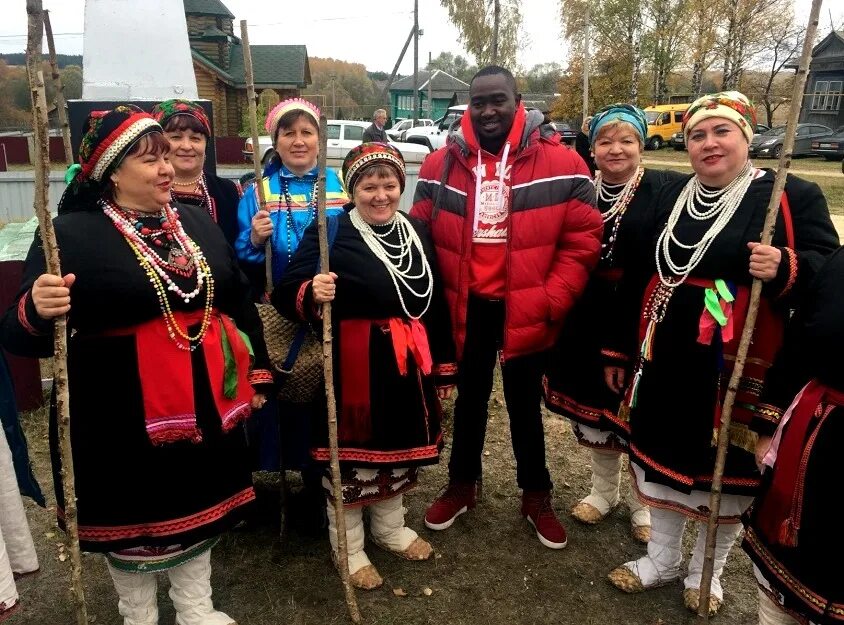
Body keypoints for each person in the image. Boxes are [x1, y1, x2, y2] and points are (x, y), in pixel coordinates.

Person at [0, 105, 273, 625]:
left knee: (199, 503)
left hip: (201, 399)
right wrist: (37, 307)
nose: (168, 168)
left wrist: (256, 372)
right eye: (151, 160)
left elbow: (234, 296)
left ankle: (195, 610)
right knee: (135, 516)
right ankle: (137, 614)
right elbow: (18, 335)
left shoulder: (194, 220)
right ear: (111, 169)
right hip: (116, 405)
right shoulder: (68, 234)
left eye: (167, 155)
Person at [602, 91, 839, 615]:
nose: (708, 144)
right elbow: (641, 270)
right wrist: (621, 352)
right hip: (664, 351)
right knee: (658, 454)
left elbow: (829, 273)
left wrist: (785, 266)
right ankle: (661, 560)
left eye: (721, 132)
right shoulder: (671, 193)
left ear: (746, 138)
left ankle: (704, 572)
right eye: (696, 135)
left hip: (736, 361)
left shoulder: (787, 195)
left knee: (725, 467)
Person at [411, 65, 602, 550]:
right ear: (468, 106)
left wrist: (549, 299)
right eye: (479, 102)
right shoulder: (441, 164)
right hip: (466, 306)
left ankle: (536, 494)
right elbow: (418, 234)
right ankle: (462, 485)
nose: (489, 110)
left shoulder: (563, 163)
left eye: (498, 100)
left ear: (518, 101)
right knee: (470, 398)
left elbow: (582, 241)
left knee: (523, 406)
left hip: (527, 306)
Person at [273, 143, 457, 589]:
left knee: (397, 452)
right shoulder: (331, 231)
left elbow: (433, 303)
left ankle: (390, 529)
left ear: (401, 186)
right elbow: (286, 291)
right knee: (353, 459)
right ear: (352, 190)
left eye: (389, 184)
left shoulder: (415, 230)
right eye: (369, 186)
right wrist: (312, 291)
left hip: (407, 366)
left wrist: (444, 367)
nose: (381, 195)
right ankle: (349, 547)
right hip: (354, 367)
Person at [544, 104, 684, 544]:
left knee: (635, 413)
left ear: (641, 145)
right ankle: (604, 491)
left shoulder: (665, 189)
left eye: (626, 141)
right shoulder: (582, 187)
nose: (615, 149)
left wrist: (625, 340)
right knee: (597, 412)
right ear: (594, 146)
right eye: (605, 141)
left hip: (637, 316)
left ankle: (644, 506)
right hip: (585, 315)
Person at [234, 98, 347, 476]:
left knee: (325, 395)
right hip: (279, 314)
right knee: (284, 393)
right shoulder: (258, 193)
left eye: (307, 132)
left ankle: (322, 479)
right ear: (276, 141)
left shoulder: (341, 187)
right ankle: (284, 472)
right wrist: (252, 239)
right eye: (289, 133)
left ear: (319, 139)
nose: (298, 141)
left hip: (331, 309)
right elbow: (242, 259)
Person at [742, 245, 844, 625]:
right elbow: (797, 347)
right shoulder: (841, 263)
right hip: (815, 440)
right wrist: (768, 426)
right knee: (787, 558)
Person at [152, 99, 242, 248]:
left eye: (195, 138)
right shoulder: (149, 190)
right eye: (176, 137)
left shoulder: (228, 191)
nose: (187, 146)